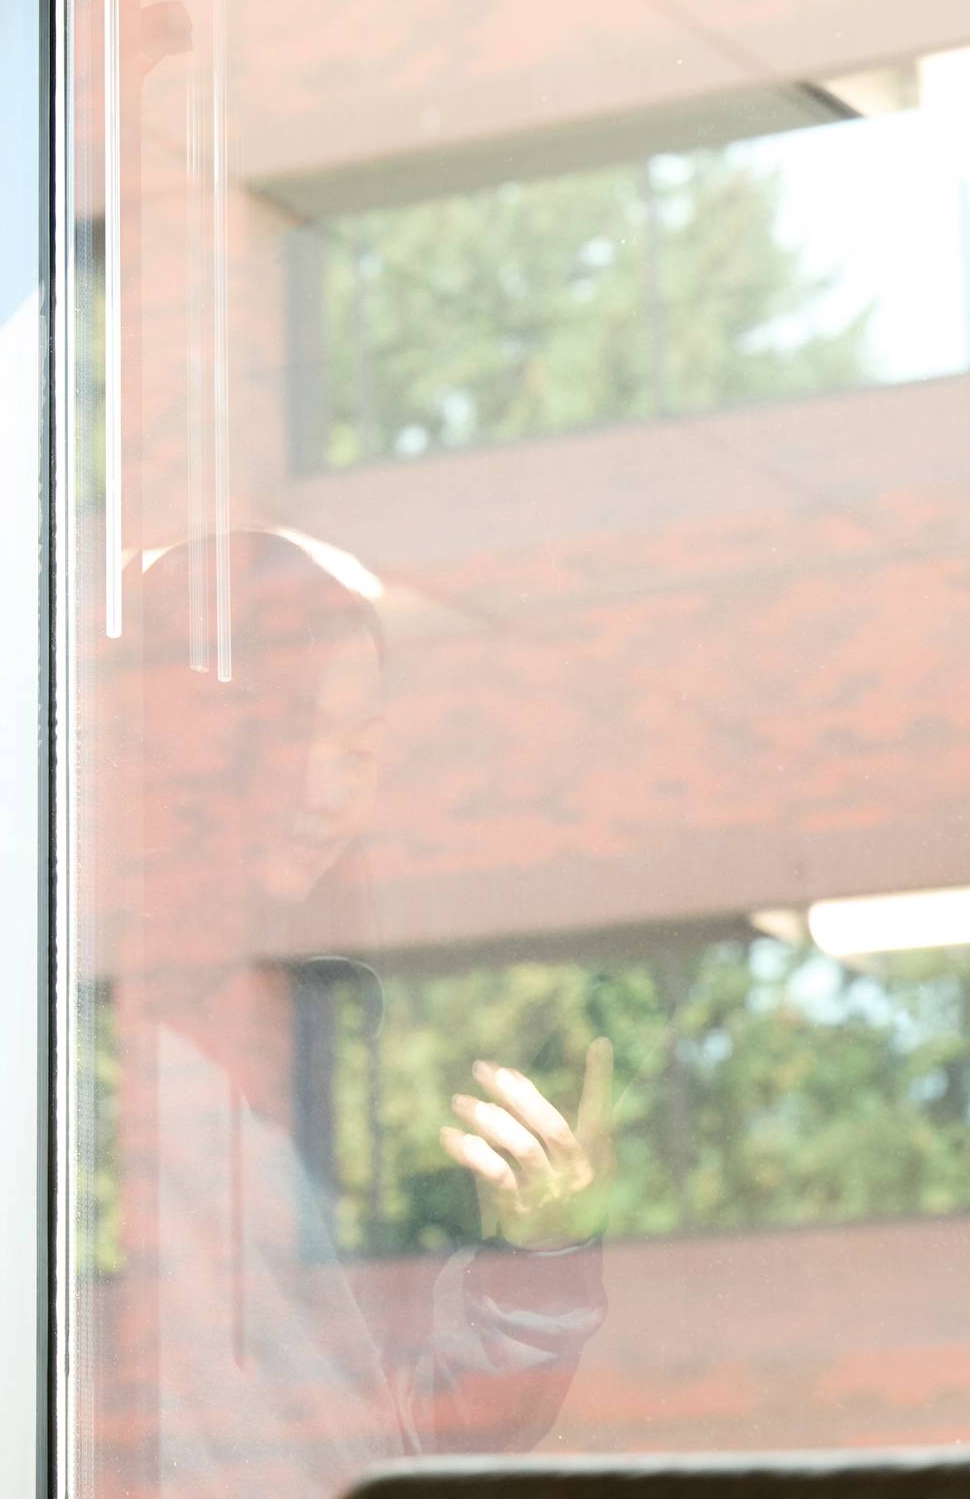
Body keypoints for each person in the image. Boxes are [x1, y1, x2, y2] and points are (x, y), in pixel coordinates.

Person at [98, 531, 616, 1499]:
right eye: (285, 730)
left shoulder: (333, 1042)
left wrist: (542, 1258)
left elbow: (397, 1426)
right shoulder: (80, 1041)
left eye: (357, 746)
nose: (321, 786)